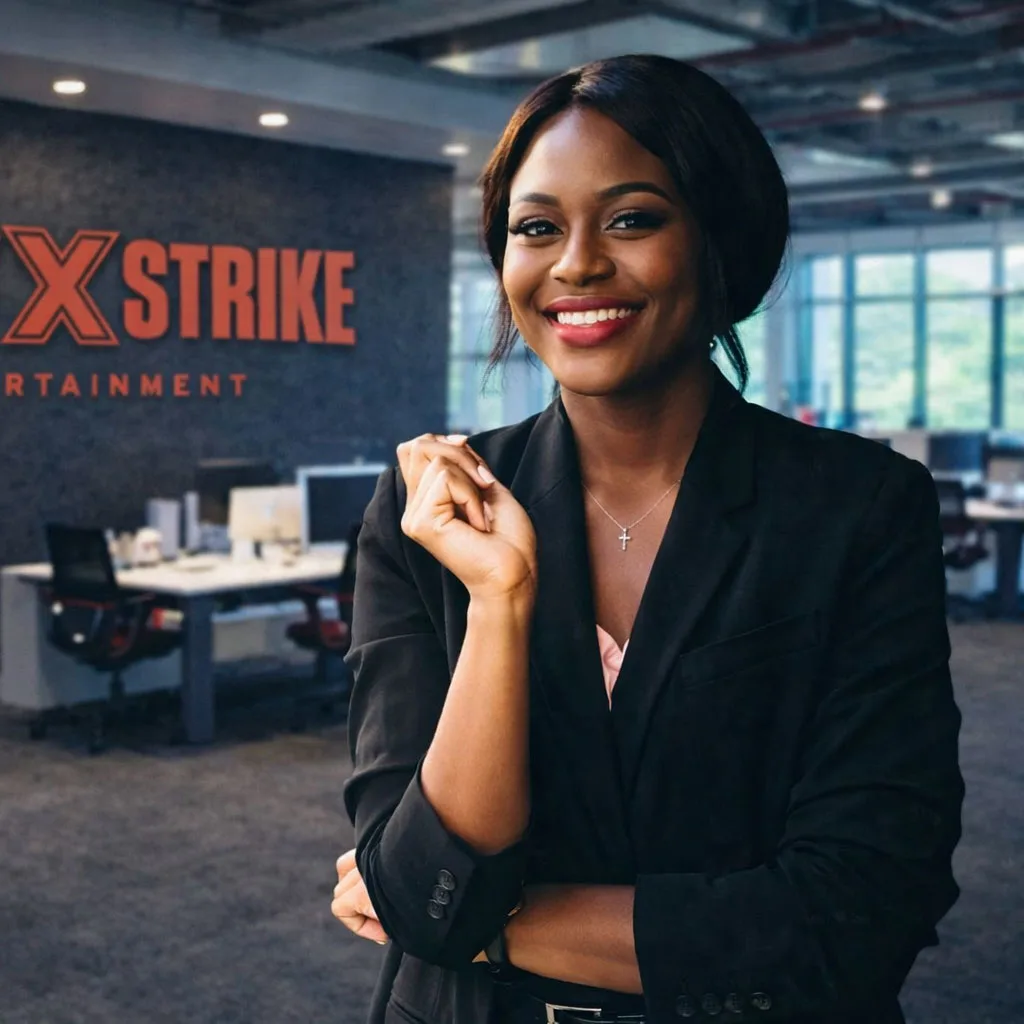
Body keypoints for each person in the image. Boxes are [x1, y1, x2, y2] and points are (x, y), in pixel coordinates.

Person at [331, 53, 964, 1024]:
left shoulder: (857, 509)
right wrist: (499, 605)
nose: (576, 263)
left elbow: (858, 910)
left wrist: (478, 924)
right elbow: (417, 874)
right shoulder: (434, 507)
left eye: (631, 218)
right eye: (535, 227)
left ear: (719, 237)